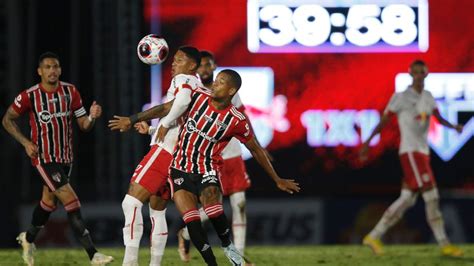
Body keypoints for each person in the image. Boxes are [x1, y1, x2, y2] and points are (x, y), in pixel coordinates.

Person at [146, 69, 299, 265]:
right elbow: (167, 108)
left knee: (214, 210)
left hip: (207, 169)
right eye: (216, 80)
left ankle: (228, 246)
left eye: (221, 82)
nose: (215, 84)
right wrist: (137, 120)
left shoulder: (236, 119)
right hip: (179, 169)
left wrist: (276, 179)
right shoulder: (198, 96)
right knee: (192, 222)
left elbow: (256, 149)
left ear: (231, 90)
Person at [2, 52, 113, 265]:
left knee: (48, 203)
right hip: (43, 157)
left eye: (55, 66)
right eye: (47, 67)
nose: (52, 70)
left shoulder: (70, 92)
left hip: (65, 158)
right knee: (72, 201)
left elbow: (84, 126)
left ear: (60, 70)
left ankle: (28, 238)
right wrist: (26, 143)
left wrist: (92, 116)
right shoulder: (30, 95)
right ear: (40, 71)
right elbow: (7, 119)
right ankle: (93, 254)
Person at [108, 46, 202, 266]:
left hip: (164, 152)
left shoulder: (184, 80)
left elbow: (177, 104)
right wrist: (151, 130)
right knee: (157, 210)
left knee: (130, 203)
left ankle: (129, 262)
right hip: (179, 156)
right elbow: (183, 118)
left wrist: (135, 119)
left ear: (191, 66)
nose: (174, 64)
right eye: (174, 60)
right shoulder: (199, 84)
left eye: (179, 60)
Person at [360, 60, 464, 257]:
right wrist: (367, 142)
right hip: (410, 152)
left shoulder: (428, 96)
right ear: (410, 73)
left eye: (421, 72)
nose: (418, 75)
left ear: (426, 74)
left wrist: (454, 127)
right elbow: (384, 121)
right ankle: (445, 244)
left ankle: (373, 236)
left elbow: (438, 119)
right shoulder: (400, 97)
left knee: (407, 199)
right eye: (415, 72)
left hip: (422, 152)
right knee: (432, 196)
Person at [175, 50, 253, 262]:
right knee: (212, 209)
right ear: (196, 68)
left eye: (209, 65)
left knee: (239, 204)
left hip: (233, 153)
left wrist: (258, 146)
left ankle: (239, 256)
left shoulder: (229, 90)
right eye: (202, 66)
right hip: (207, 159)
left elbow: (243, 120)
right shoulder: (195, 92)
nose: (205, 69)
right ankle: (186, 232)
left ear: (214, 66)